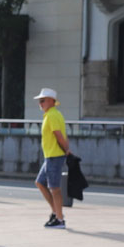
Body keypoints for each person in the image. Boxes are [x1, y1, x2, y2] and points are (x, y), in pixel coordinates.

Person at [34, 88, 71, 229]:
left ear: (51, 101)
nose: (40, 103)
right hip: (50, 156)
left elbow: (58, 135)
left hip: (54, 155)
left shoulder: (52, 115)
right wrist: (67, 149)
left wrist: (66, 150)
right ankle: (56, 212)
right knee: (40, 182)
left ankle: (59, 219)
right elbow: (62, 135)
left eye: (42, 100)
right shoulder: (52, 114)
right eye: (39, 101)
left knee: (55, 188)